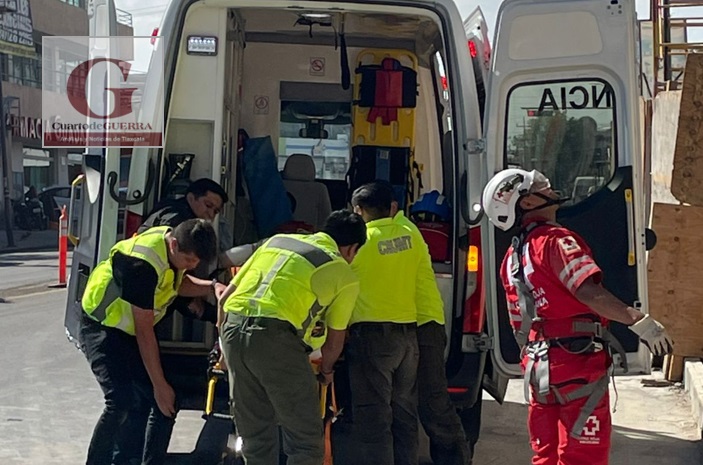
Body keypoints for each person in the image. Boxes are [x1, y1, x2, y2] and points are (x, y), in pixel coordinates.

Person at [482, 168, 674, 465]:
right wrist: (639, 321)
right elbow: (589, 294)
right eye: (539, 185)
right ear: (529, 203)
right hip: (576, 363)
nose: (548, 184)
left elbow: (518, 322)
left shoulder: (512, 257)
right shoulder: (556, 242)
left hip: (538, 368)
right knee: (584, 457)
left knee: (545, 456)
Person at [217, 210, 366, 465]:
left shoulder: (276, 242)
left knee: (255, 436)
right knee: (305, 442)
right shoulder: (343, 273)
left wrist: (223, 351)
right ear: (352, 249)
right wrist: (327, 371)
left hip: (233, 331)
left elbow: (225, 299)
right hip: (276, 340)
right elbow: (334, 339)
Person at [79, 219, 223, 465]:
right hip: (101, 327)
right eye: (189, 261)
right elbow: (144, 331)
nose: (193, 266)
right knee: (121, 401)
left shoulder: (171, 246)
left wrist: (213, 287)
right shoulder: (141, 264)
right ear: (175, 244)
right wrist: (159, 384)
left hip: (125, 330)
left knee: (162, 401)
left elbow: (178, 284)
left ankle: (135, 460)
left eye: (197, 262)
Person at [347, 181, 430, 465]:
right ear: (391, 208)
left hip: (373, 338)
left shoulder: (360, 243)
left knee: (374, 418)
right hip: (407, 337)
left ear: (358, 210)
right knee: (405, 414)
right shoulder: (410, 233)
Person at [409, 192, 472, 465]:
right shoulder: (450, 244)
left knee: (392, 402)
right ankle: (454, 458)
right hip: (430, 326)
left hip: (389, 326)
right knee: (434, 400)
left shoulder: (379, 239)